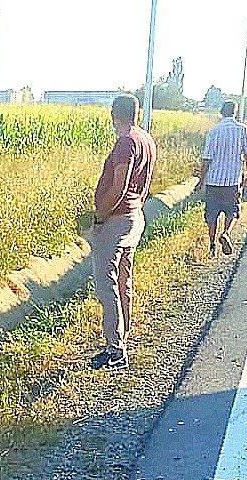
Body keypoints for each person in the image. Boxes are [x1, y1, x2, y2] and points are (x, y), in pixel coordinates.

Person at [89, 93, 157, 372]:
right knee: (123, 280)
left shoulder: (126, 142)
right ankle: (122, 336)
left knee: (106, 284)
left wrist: (100, 215)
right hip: (135, 216)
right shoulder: (146, 139)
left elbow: (120, 183)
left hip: (117, 219)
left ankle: (115, 349)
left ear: (113, 114)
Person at [197, 100, 247, 257]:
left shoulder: (214, 131)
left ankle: (212, 244)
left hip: (213, 181)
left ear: (221, 112)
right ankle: (226, 232)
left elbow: (207, 158)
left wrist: (201, 179)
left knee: (211, 214)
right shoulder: (242, 129)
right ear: (235, 112)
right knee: (233, 210)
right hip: (232, 180)